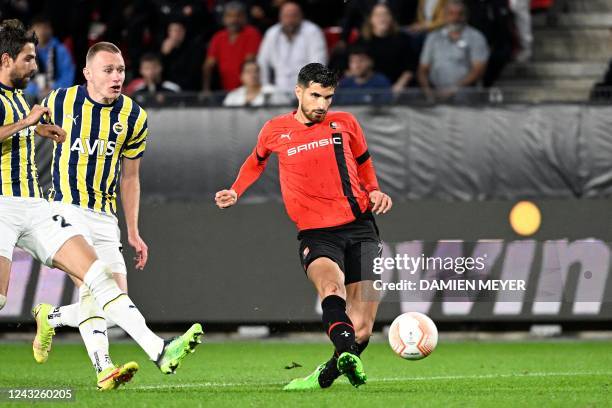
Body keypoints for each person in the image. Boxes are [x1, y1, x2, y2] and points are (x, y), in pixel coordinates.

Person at [0, 21, 203, 391]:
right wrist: (33, 127)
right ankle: (120, 361)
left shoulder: (134, 117)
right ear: (88, 73)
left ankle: (55, 318)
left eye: (121, 69)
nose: (116, 76)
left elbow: (131, 178)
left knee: (110, 296)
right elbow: (21, 126)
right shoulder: (59, 99)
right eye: (108, 70)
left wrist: (134, 230)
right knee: (99, 288)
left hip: (102, 211)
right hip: (63, 206)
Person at [215, 63, 392, 390]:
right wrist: (235, 190)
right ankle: (346, 353)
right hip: (317, 234)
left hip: (363, 228)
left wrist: (375, 190)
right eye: (315, 96)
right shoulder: (275, 130)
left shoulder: (346, 123)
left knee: (364, 327)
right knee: (330, 288)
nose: (322, 105)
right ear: (298, 92)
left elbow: (365, 163)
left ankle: (324, 375)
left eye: (328, 97)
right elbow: (256, 161)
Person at [418, 0, 489, 102]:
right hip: (436, 96)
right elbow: (423, 69)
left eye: (460, 14)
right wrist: (428, 92)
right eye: (451, 13)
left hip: (466, 96)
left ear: (465, 16)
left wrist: (454, 89)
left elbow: (478, 70)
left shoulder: (476, 37)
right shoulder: (433, 37)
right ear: (445, 16)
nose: (455, 18)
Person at [257, 2, 327, 92]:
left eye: (294, 16)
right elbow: (262, 62)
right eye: (286, 16)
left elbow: (318, 64)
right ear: (280, 18)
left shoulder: (313, 31)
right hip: (278, 90)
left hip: (306, 89)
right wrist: (265, 88)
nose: (290, 20)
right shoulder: (272, 33)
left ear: (301, 16)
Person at [356, 4, 417, 95]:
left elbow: (410, 68)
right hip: (371, 88)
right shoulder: (362, 41)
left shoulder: (403, 39)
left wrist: (399, 86)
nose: (382, 18)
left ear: (391, 18)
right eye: (378, 15)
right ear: (371, 19)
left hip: (398, 87)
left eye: (385, 14)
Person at [203, 1, 261, 92]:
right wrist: (206, 90)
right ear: (224, 18)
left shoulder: (251, 33)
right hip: (223, 90)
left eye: (238, 16)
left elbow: (249, 62)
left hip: (245, 90)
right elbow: (208, 65)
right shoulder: (218, 37)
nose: (233, 20)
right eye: (229, 16)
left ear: (244, 18)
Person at [24, 15, 75, 101]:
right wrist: (37, 90)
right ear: (30, 31)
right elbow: (20, 77)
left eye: (45, 28)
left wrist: (52, 89)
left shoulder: (61, 50)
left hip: (56, 93)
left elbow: (68, 76)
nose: (42, 31)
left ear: (51, 30)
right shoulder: (25, 51)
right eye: (38, 28)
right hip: (32, 94)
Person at [223, 60, 290, 106]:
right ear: (241, 76)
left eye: (256, 71)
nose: (253, 75)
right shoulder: (233, 96)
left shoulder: (273, 92)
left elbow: (287, 113)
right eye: (248, 72)